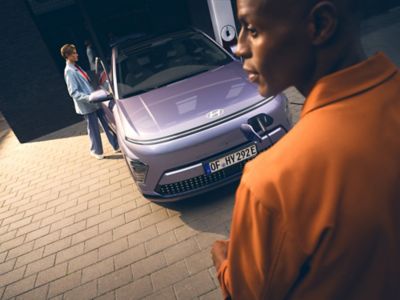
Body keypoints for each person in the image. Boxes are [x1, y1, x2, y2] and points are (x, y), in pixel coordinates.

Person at [211, 0, 400, 299]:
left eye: (252, 29)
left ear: (321, 25)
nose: (240, 47)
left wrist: (225, 268)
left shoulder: (271, 181)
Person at [60, 44, 119, 160]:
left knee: (107, 123)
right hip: (88, 105)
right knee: (93, 129)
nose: (77, 54)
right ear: (67, 55)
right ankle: (97, 151)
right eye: (74, 53)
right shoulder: (69, 71)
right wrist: (89, 98)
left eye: (76, 52)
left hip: (95, 101)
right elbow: (73, 92)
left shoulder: (76, 67)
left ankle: (116, 144)